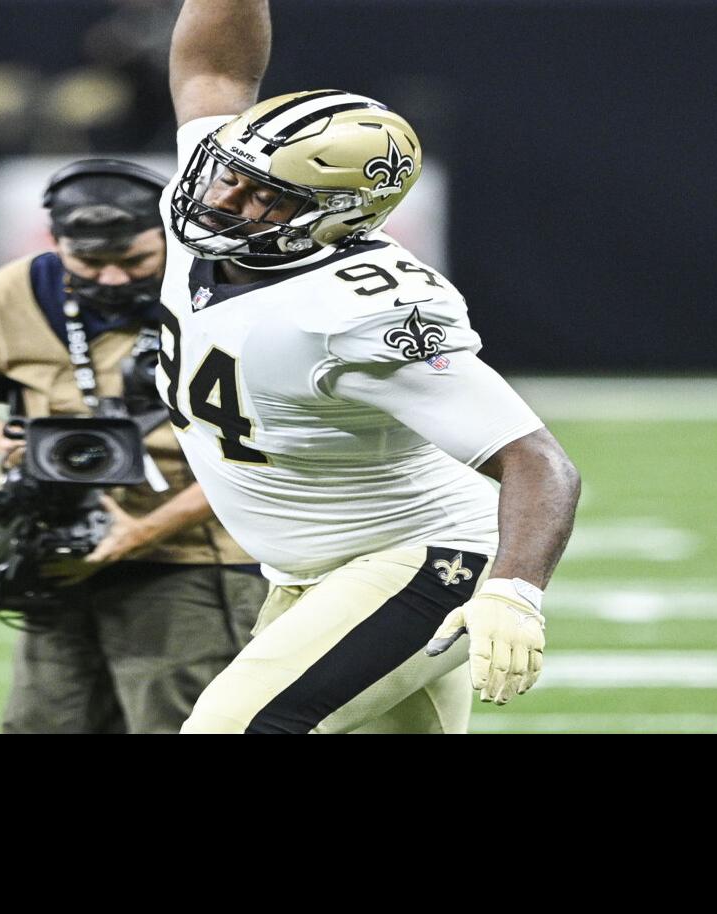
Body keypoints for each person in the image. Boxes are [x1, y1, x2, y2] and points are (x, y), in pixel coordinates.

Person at [156, 0, 582, 734]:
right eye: (228, 174)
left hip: (422, 562)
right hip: (309, 572)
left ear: (338, 216)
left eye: (264, 197)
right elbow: (215, 67)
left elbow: (536, 460)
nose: (225, 199)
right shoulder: (216, 187)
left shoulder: (360, 311)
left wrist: (512, 592)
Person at [0, 157, 266, 733]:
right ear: (55, 242)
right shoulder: (15, 291)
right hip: (62, 545)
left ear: (170, 236)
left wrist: (141, 531)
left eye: (133, 260)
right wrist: (11, 442)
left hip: (192, 558)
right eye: (88, 261)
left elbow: (268, 459)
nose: (110, 278)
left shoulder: (232, 293)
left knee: (180, 722)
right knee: (43, 723)